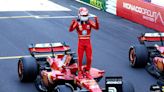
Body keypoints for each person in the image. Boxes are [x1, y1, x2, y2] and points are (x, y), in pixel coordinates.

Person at [69, 7, 99, 79]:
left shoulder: (90, 22)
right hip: (81, 43)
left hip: (88, 43)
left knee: (89, 58)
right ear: (79, 15)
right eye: (83, 15)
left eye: (86, 15)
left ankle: (87, 71)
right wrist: (72, 24)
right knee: (80, 59)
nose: (85, 17)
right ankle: (79, 72)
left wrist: (96, 21)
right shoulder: (77, 23)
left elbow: (97, 28)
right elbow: (70, 30)